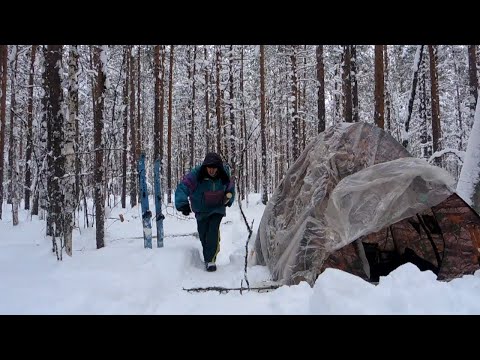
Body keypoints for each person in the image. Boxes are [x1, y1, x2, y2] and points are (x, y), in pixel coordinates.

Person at [175, 152, 235, 272]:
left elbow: (230, 187)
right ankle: (210, 252)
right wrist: (182, 204)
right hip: (201, 208)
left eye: (214, 168)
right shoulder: (196, 174)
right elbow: (183, 187)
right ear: (205, 166)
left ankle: (210, 260)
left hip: (217, 208)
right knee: (203, 234)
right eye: (209, 168)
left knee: (213, 230)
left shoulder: (224, 173)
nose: (212, 171)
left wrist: (229, 198)